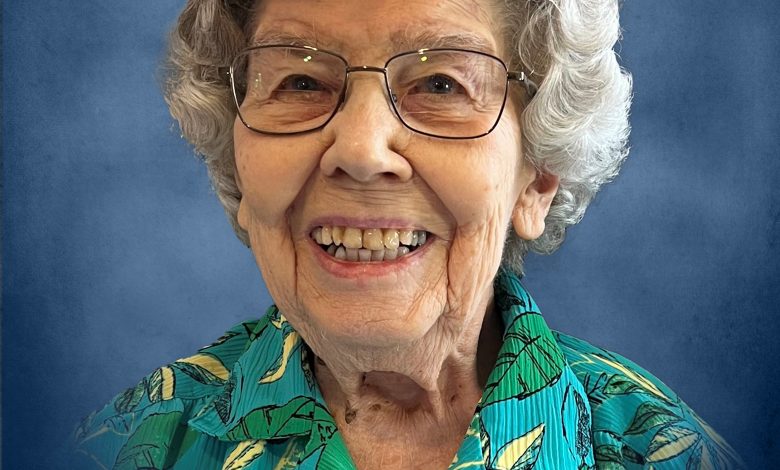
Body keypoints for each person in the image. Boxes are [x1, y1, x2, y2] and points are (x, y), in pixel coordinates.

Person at [73, 0, 745, 468]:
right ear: (239, 168)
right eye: (300, 81)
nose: (362, 150)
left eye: (442, 84)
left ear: (537, 177)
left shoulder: (665, 453)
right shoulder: (129, 446)